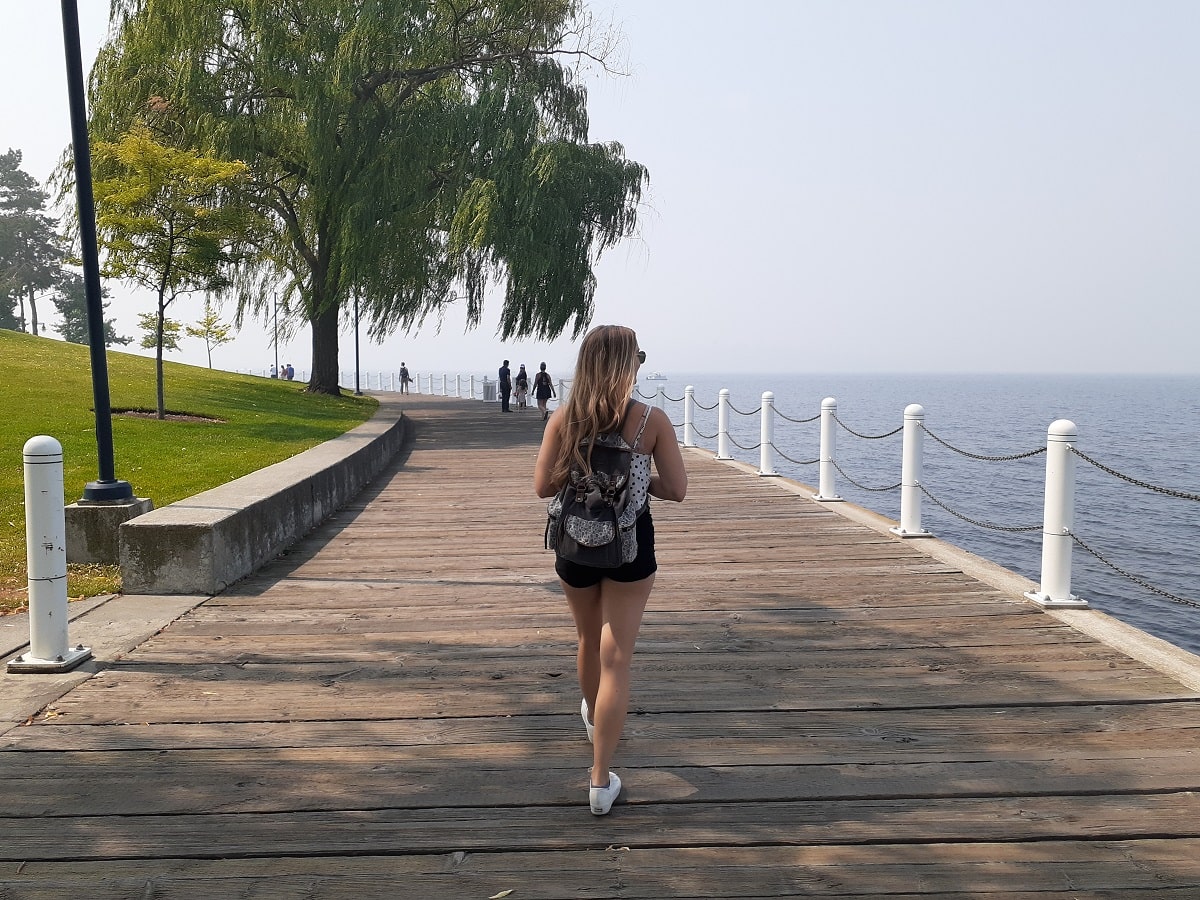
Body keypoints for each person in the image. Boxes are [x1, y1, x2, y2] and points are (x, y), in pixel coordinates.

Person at [533, 325, 687, 815]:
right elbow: (678, 489)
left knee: (585, 641)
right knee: (616, 656)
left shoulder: (563, 419)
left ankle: (590, 715)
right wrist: (636, 482)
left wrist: (583, 477)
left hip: (574, 544)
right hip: (629, 548)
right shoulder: (651, 422)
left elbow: (542, 486)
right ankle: (600, 782)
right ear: (627, 366)